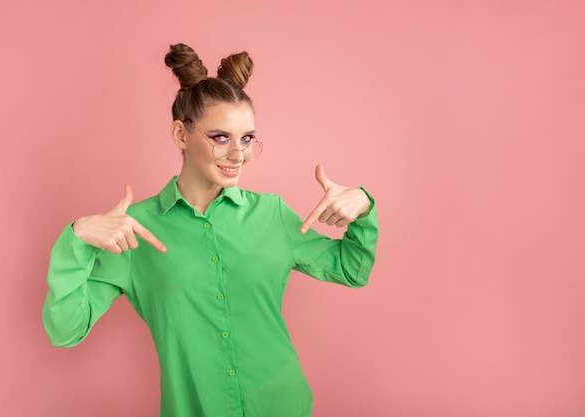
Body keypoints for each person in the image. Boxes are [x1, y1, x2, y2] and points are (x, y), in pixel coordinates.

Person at [43, 43, 379, 417]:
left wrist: (362, 208)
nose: (239, 154)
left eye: (247, 138)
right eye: (221, 137)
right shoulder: (134, 230)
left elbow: (352, 269)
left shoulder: (271, 214)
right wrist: (77, 236)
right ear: (180, 134)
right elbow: (65, 330)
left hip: (283, 406)